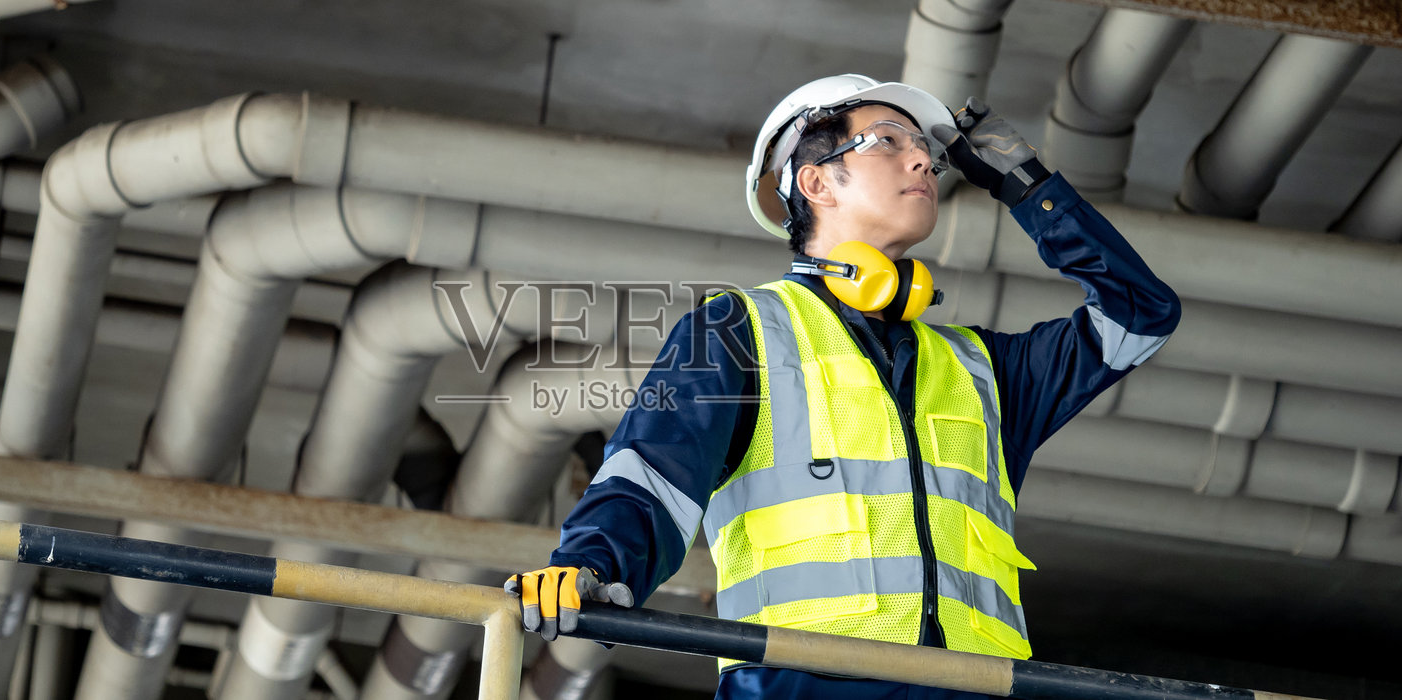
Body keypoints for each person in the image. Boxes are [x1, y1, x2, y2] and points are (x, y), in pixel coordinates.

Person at [506, 74, 1182, 699]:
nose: (922, 160)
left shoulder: (986, 371)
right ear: (816, 184)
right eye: (888, 142)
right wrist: (588, 567)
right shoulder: (742, 330)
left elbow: (1141, 313)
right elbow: (653, 477)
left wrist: (1028, 186)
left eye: (925, 149)